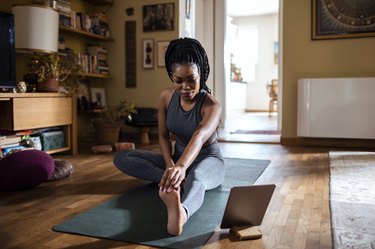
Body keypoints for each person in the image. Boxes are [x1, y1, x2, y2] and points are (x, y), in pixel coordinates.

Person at [113, 37, 224, 236]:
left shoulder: (212, 105)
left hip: (208, 160)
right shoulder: (166, 96)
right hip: (176, 161)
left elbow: (199, 137)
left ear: (201, 73)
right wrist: (171, 166)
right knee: (122, 157)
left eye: (192, 79)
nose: (186, 87)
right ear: (171, 76)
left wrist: (182, 166)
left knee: (197, 176)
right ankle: (173, 183)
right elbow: (163, 136)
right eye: (178, 80)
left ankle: (182, 212)